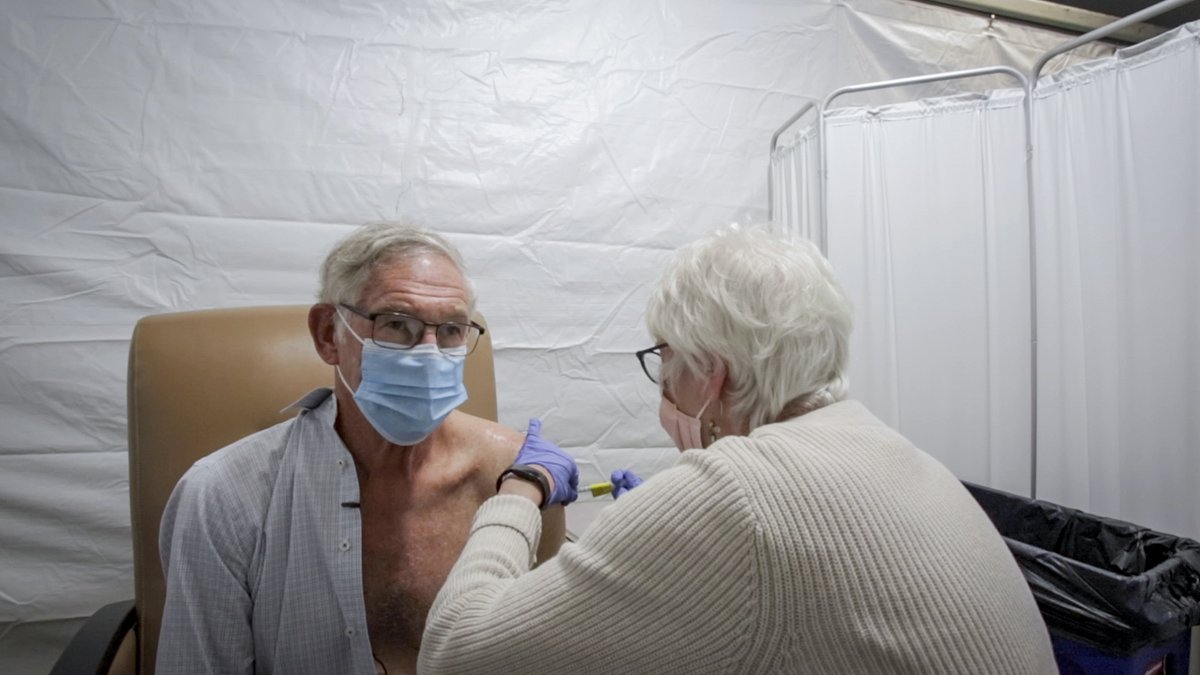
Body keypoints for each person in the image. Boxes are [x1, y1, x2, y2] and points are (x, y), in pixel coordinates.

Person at [417, 225, 1058, 674]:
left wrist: (521, 487)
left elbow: (453, 653)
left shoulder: (735, 495)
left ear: (712, 373)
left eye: (663, 357)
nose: (662, 384)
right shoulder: (882, 443)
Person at [157, 222, 566, 675]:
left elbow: (540, 651)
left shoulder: (517, 478)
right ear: (329, 335)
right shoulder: (226, 497)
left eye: (451, 329)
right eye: (396, 324)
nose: (429, 354)